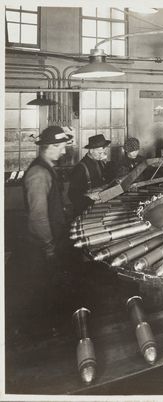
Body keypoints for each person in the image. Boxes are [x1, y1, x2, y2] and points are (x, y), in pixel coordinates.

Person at [20, 126, 73, 332]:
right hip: (41, 245)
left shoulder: (47, 168)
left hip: (52, 240)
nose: (64, 151)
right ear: (49, 147)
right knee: (43, 288)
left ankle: (52, 326)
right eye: (60, 147)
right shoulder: (39, 173)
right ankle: (44, 331)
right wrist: (49, 246)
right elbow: (38, 217)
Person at [68, 134, 116, 216]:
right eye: (99, 153)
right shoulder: (80, 168)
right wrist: (89, 196)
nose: (102, 155)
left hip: (100, 207)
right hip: (85, 212)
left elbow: (108, 179)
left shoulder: (100, 162)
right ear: (91, 150)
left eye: (103, 152)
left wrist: (106, 163)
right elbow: (71, 195)